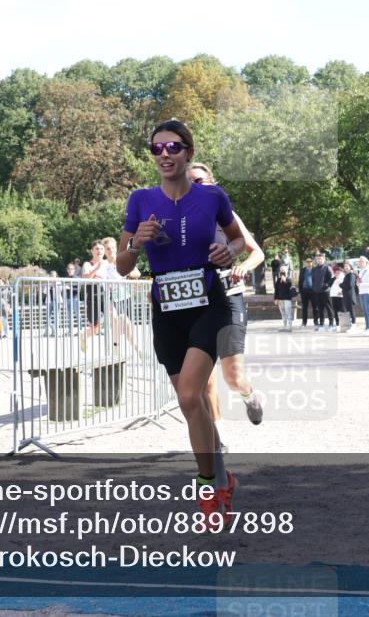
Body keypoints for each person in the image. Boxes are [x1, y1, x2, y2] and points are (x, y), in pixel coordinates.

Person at [115, 119, 244, 528]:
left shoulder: (212, 197)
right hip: (166, 311)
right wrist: (138, 243)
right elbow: (121, 266)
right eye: (156, 149)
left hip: (208, 304)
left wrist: (230, 254)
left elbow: (238, 239)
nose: (164, 155)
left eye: (172, 147)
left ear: (188, 152)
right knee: (195, 406)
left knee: (190, 396)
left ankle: (208, 489)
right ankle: (220, 473)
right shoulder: (140, 200)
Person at [187, 162, 265, 435]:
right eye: (189, 182)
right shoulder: (179, 220)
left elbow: (257, 252)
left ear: (211, 183)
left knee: (233, 377)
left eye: (200, 181)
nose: (194, 186)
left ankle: (249, 395)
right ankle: (218, 439)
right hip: (196, 303)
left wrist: (244, 266)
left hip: (228, 297)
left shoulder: (227, 215)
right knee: (205, 380)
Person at [311, 252, 334, 331]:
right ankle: (321, 324)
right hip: (317, 291)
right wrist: (314, 287)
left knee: (329, 307)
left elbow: (331, 279)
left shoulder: (327, 267)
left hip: (325, 291)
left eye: (320, 259)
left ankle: (331, 323)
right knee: (320, 308)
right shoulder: (314, 269)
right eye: (318, 259)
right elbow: (313, 279)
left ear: (324, 259)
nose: (319, 260)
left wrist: (326, 285)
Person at [355, 255, 369, 332]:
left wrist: (360, 284)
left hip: (368, 292)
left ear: (366, 262)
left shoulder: (368, 271)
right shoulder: (361, 271)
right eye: (359, 261)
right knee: (365, 311)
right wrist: (358, 283)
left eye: (361, 261)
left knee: (368, 310)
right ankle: (367, 327)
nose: (360, 263)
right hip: (362, 292)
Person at [339, 261, 358, 329]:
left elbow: (350, 285)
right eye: (345, 266)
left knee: (352, 311)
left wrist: (341, 285)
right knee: (348, 311)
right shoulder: (346, 275)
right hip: (346, 296)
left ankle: (353, 324)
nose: (345, 267)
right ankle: (350, 324)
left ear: (350, 267)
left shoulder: (351, 275)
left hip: (350, 296)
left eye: (347, 266)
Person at [299, 257, 315, 327]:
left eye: (310, 261)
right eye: (307, 262)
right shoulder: (303, 270)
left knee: (315, 307)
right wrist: (300, 291)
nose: (309, 263)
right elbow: (300, 281)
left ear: (312, 262)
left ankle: (316, 322)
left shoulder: (315, 270)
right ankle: (304, 322)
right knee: (304, 308)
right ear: (306, 263)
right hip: (304, 291)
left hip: (313, 291)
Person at [329, 263, 345, 332]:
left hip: (340, 296)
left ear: (341, 271)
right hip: (333, 295)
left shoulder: (343, 277)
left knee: (342, 310)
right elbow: (329, 284)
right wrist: (334, 277)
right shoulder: (334, 276)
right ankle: (338, 325)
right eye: (336, 272)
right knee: (335, 311)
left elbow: (344, 285)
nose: (337, 273)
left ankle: (343, 325)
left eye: (338, 272)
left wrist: (341, 291)